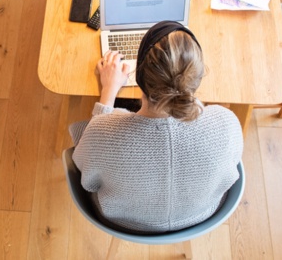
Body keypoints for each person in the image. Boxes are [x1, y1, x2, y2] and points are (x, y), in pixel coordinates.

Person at [70, 20, 243, 234]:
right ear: (196, 79)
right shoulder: (225, 123)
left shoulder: (103, 132)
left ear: (139, 78)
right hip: (200, 216)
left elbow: (85, 175)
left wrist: (108, 92)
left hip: (123, 222)